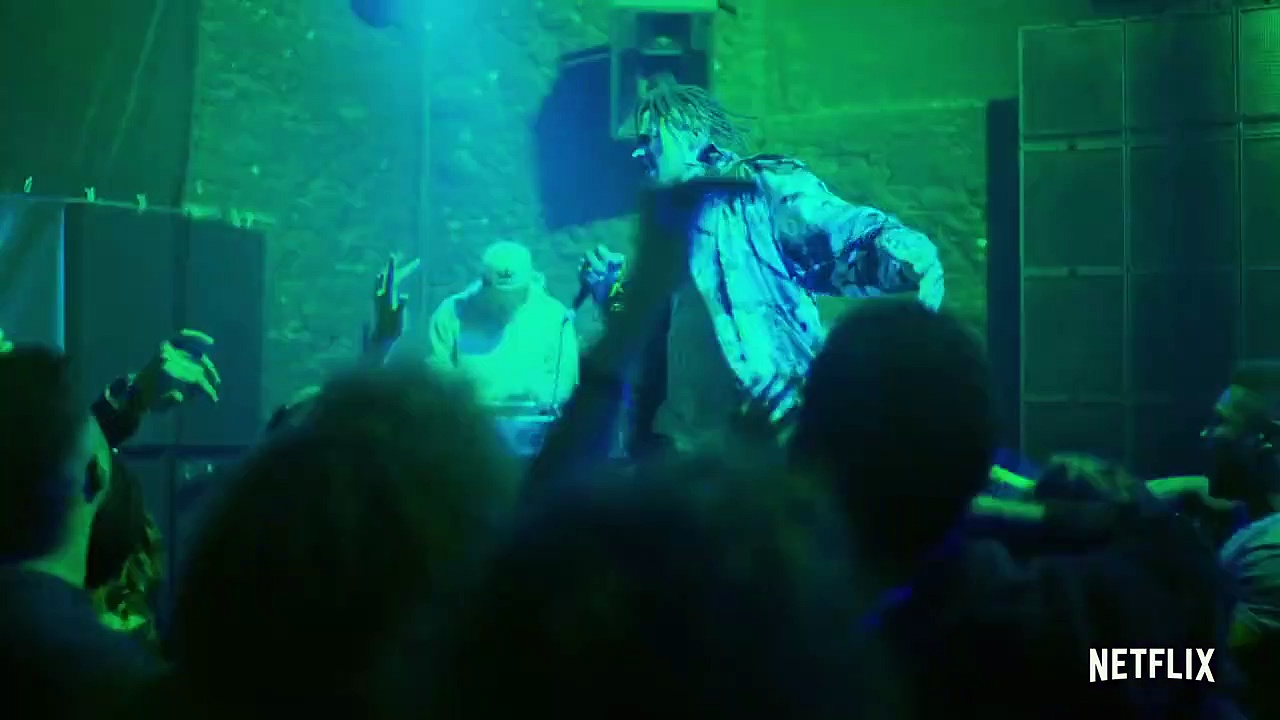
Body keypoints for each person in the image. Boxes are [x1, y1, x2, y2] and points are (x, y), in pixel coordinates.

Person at [578, 74, 943, 456]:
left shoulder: (753, 187)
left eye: (648, 138)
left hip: (770, 428)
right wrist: (609, 292)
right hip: (688, 441)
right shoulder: (669, 227)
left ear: (693, 134)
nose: (637, 154)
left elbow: (831, 225)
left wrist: (898, 248)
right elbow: (650, 332)